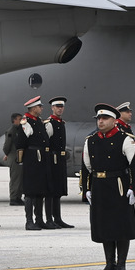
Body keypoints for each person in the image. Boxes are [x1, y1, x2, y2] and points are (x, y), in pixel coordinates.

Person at [80, 103, 135, 270]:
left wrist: (134, 190)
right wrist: (86, 189)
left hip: (119, 186)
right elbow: (86, 167)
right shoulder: (91, 140)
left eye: (104, 118)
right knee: (104, 226)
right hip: (99, 186)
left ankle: (121, 265)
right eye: (98, 118)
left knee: (121, 226)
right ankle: (110, 264)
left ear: (114, 120)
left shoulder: (125, 139)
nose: (100, 121)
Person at [17, 96, 51, 230]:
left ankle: (39, 219)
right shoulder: (26, 123)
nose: (41, 108)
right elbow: (21, 144)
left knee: (40, 190)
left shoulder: (37, 121)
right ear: (33, 108)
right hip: (32, 158)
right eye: (39, 106)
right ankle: (29, 221)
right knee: (30, 191)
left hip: (40, 158)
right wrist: (24, 160)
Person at [45, 97, 74, 228]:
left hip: (60, 160)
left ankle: (57, 218)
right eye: (57, 106)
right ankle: (49, 218)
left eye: (61, 106)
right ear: (52, 108)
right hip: (52, 160)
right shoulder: (50, 124)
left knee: (58, 190)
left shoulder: (61, 123)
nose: (60, 108)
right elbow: (45, 144)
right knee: (50, 191)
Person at [3, 113, 25, 206]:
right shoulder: (11, 131)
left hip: (19, 156)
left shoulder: (19, 129)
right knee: (15, 178)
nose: (21, 121)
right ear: (14, 120)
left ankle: (18, 197)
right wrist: (7, 154)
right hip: (14, 156)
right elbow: (6, 145)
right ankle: (13, 198)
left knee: (20, 178)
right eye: (20, 119)